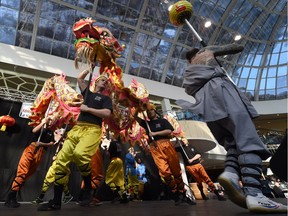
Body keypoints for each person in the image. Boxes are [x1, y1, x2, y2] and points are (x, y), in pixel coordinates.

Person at [183, 44, 287, 213]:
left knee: (233, 142)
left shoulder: (191, 71)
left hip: (208, 107)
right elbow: (238, 46)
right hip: (224, 95)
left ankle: (231, 173)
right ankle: (255, 194)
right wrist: (211, 48)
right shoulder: (206, 53)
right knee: (248, 141)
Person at [37, 69, 112, 211]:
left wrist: (88, 109)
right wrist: (89, 67)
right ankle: (56, 201)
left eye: (106, 82)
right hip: (78, 128)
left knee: (80, 155)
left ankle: (88, 187)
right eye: (103, 80)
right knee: (60, 161)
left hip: (92, 129)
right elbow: (80, 78)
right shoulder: (87, 93)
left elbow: (107, 114)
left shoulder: (105, 99)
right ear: (96, 82)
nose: (105, 82)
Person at [133, 103, 196, 206]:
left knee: (176, 171)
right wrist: (138, 109)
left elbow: (169, 130)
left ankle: (183, 194)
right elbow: (135, 117)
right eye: (148, 111)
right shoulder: (146, 124)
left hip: (167, 144)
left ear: (154, 110)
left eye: (151, 110)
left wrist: (155, 134)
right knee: (164, 172)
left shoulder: (163, 121)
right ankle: (176, 194)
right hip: (155, 147)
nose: (150, 112)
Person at [5, 117, 55, 208]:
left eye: (52, 121)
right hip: (31, 149)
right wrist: (42, 122)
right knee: (22, 173)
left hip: (41, 153)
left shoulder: (51, 132)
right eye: (50, 120)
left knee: (27, 174)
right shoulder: (40, 126)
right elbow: (34, 131)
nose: (51, 122)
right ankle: (11, 197)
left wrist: (42, 144)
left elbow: (52, 143)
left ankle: (13, 196)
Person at [32, 128, 73, 205]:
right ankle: (67, 195)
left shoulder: (68, 144)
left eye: (60, 134)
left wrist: (57, 157)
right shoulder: (60, 143)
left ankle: (41, 198)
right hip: (57, 164)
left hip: (62, 164)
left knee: (59, 181)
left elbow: (68, 154)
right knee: (50, 180)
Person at [105, 139, 129, 204]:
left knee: (109, 179)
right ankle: (124, 197)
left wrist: (106, 151)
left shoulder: (112, 143)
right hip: (120, 161)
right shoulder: (118, 143)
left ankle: (116, 194)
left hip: (114, 161)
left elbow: (109, 154)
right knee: (120, 180)